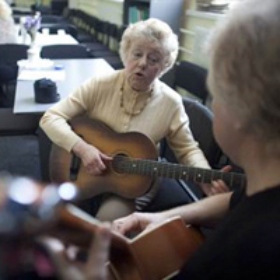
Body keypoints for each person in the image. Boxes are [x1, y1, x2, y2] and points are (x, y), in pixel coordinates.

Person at [112, 0, 280, 278]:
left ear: (240, 108)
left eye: (216, 93)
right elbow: (237, 199)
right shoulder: (264, 180)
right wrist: (159, 217)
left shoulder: (228, 260)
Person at [40, 18, 228, 222]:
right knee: (59, 224)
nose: (143, 63)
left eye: (154, 59)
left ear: (164, 66)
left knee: (106, 230)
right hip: (84, 174)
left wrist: (205, 175)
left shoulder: (170, 103)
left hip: (132, 184)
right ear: (125, 54)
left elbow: (187, 149)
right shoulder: (99, 85)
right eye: (137, 54)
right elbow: (50, 118)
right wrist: (82, 148)